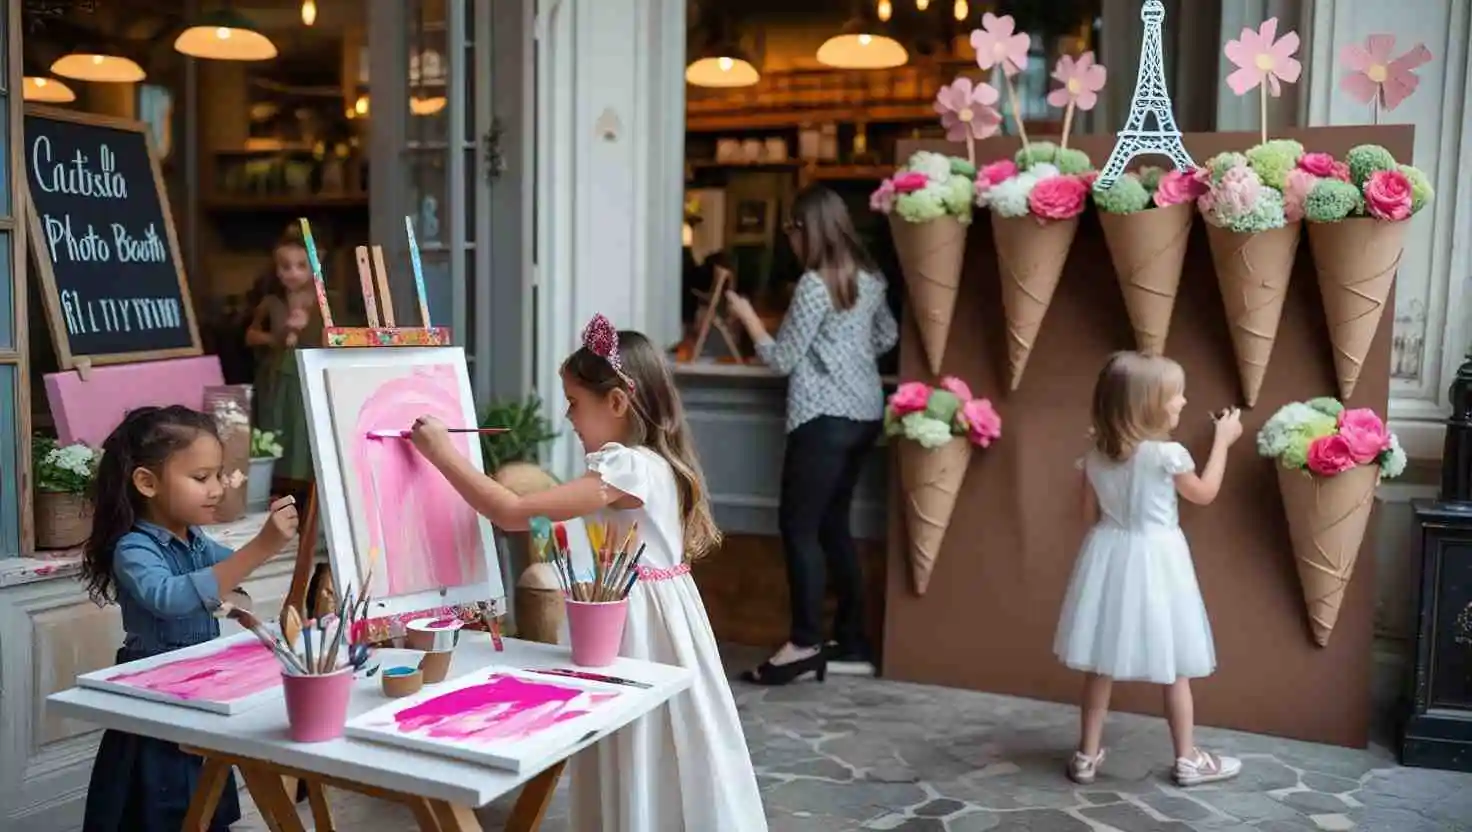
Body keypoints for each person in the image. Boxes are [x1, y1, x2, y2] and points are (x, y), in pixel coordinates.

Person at [408, 314, 767, 832]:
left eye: (576, 402)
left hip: (642, 626)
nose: (569, 416)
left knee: (643, 741)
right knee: (663, 746)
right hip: (656, 616)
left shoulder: (629, 466)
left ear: (617, 403)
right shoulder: (648, 463)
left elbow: (514, 512)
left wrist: (443, 455)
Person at [79, 406, 299, 831]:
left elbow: (229, 574)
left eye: (218, 475)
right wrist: (261, 547)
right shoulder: (134, 549)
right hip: (154, 686)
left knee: (202, 788)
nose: (216, 489)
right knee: (159, 804)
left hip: (200, 681)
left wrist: (259, 553)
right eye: (201, 478)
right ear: (147, 482)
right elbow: (170, 598)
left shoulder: (196, 539)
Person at [725, 184, 897, 684]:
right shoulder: (871, 280)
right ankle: (852, 643)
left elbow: (781, 360)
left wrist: (749, 319)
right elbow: (887, 336)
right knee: (832, 527)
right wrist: (848, 352)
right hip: (864, 415)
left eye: (791, 229)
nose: (789, 239)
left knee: (799, 529)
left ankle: (803, 643)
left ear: (807, 230)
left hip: (821, 419)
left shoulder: (814, 285)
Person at [1053, 352, 1245, 788]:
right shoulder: (1168, 454)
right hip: (1159, 558)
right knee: (1173, 661)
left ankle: (1086, 755)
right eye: (1175, 395)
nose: (1183, 402)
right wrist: (1222, 442)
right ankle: (1187, 760)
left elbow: (1087, 515)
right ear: (1149, 405)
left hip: (1108, 554)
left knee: (1099, 661)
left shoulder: (1096, 455)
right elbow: (1205, 494)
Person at [246, 224, 322, 495]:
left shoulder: (323, 302)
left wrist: (306, 328)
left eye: (301, 266)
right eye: (285, 267)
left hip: (308, 377)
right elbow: (251, 335)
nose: (293, 273)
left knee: (304, 430)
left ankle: (307, 486)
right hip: (276, 378)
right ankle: (274, 484)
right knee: (275, 426)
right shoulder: (271, 303)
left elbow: (337, 338)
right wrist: (277, 337)